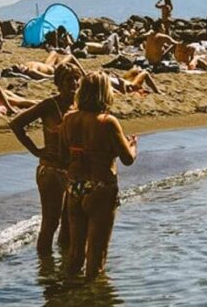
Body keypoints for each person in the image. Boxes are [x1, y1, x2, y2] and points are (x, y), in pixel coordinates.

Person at [60, 72, 137, 278]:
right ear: (105, 93)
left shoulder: (68, 119)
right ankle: (94, 297)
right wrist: (132, 146)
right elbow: (128, 159)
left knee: (75, 253)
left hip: (76, 187)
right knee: (97, 257)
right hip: (101, 187)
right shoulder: (107, 121)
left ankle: (68, 295)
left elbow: (63, 152)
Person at [10, 63, 83, 255]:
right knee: (51, 223)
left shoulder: (79, 106)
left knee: (69, 222)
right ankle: (45, 271)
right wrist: (36, 150)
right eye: (69, 80)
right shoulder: (50, 105)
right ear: (58, 83)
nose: (74, 83)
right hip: (51, 171)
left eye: (76, 78)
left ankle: (63, 264)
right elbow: (16, 124)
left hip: (72, 172)